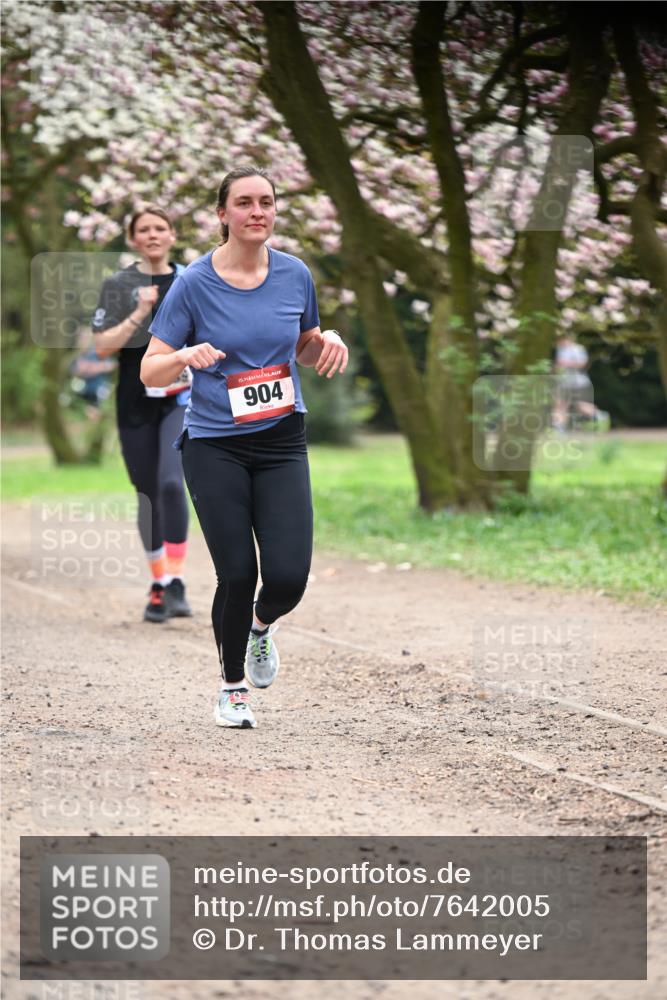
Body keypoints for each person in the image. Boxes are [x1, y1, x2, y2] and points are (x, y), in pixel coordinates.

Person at [140, 166, 348, 728]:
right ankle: (232, 690)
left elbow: (303, 346)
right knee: (237, 572)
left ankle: (261, 627)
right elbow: (149, 367)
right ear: (223, 214)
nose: (258, 211)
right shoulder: (194, 282)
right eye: (244, 203)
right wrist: (184, 356)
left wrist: (326, 340)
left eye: (266, 202)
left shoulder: (294, 274)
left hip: (282, 440)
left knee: (288, 577)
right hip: (214, 446)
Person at [92, 205, 193, 623]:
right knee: (148, 491)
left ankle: (175, 581)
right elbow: (102, 347)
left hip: (181, 397)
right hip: (134, 403)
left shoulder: (190, 280)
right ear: (133, 239)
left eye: (160, 228)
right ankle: (159, 583)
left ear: (172, 235)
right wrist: (138, 310)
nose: (152, 235)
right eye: (143, 230)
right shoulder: (118, 284)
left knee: (172, 483)